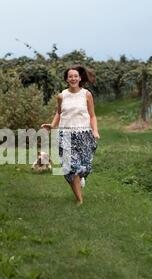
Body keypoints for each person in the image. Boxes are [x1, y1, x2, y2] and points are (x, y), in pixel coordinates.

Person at [41, 65, 100, 205]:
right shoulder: (61, 96)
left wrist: (95, 130)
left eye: (75, 76)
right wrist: (52, 125)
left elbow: (92, 116)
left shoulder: (86, 94)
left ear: (80, 78)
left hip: (84, 134)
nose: (73, 78)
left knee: (85, 167)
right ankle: (79, 200)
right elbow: (59, 113)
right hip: (65, 134)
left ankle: (81, 177)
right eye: (70, 76)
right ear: (66, 79)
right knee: (70, 168)